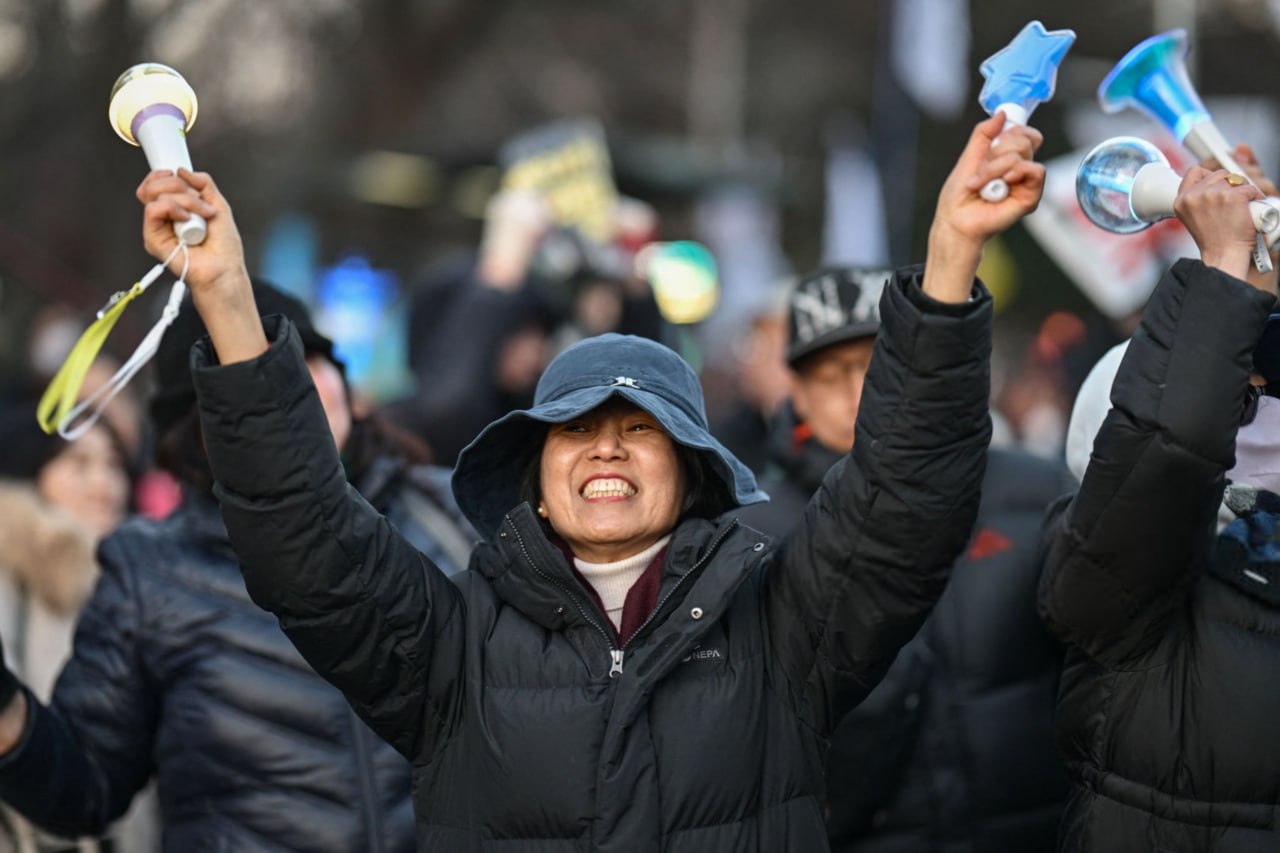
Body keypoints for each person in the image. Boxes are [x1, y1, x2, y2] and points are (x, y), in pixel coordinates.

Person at [84, 110, 1039, 850]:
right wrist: (224, 296)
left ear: (694, 471)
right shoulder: (450, 647)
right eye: (575, 430)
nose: (607, 449)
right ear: (533, 473)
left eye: (641, 429)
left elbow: (903, 497)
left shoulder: (784, 624)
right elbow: (302, 529)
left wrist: (951, 257)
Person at [0, 282, 475, 851]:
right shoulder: (150, 573)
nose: (286, 388)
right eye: (245, 375)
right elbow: (85, 787)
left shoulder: (454, 510)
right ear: (196, 425)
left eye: (305, 358)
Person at [736, 266, 1075, 851]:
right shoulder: (752, 531)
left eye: (875, 364)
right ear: (794, 389)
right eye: (827, 374)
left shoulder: (1036, 492)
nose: (855, 393)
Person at [1039, 158, 1280, 851]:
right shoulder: (1117, 587)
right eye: (1242, 401)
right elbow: (1170, 451)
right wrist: (1224, 274)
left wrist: (1262, 268)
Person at [0, 413, 136, 852]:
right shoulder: (9, 576)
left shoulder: (135, 583)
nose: (103, 484)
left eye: (114, 465)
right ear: (33, 472)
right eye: (79, 463)